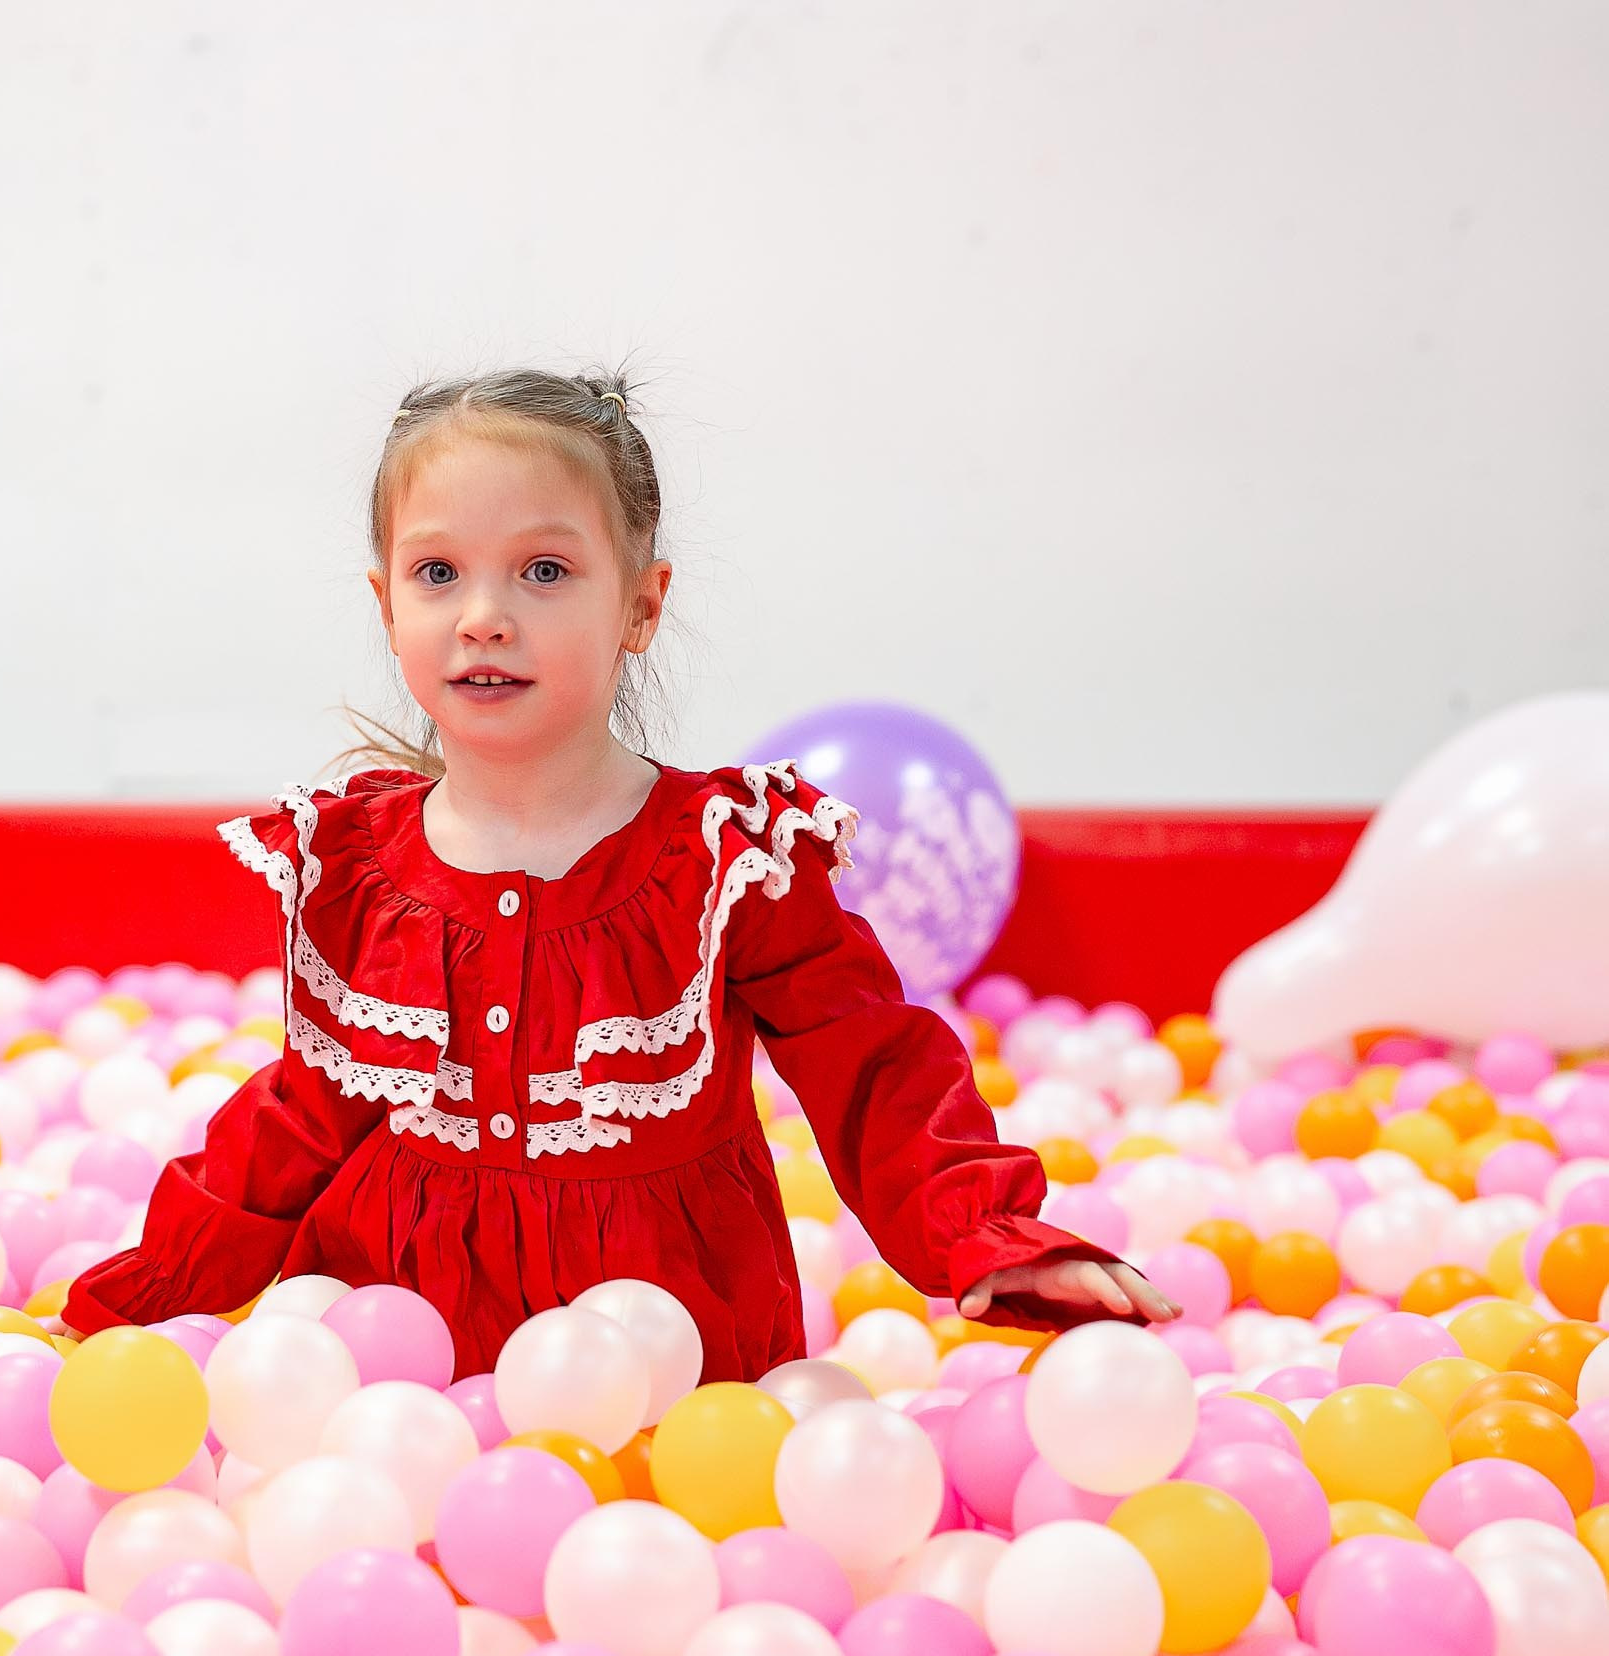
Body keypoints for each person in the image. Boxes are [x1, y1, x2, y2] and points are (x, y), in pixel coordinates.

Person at [62, 367, 1174, 1380]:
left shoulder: (724, 859)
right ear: (387, 605)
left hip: (660, 1346)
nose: (484, 615)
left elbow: (873, 1066)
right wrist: (134, 1302)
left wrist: (993, 1235)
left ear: (641, 604)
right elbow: (298, 1122)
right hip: (399, 1342)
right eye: (437, 572)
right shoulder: (358, 871)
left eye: (545, 570)